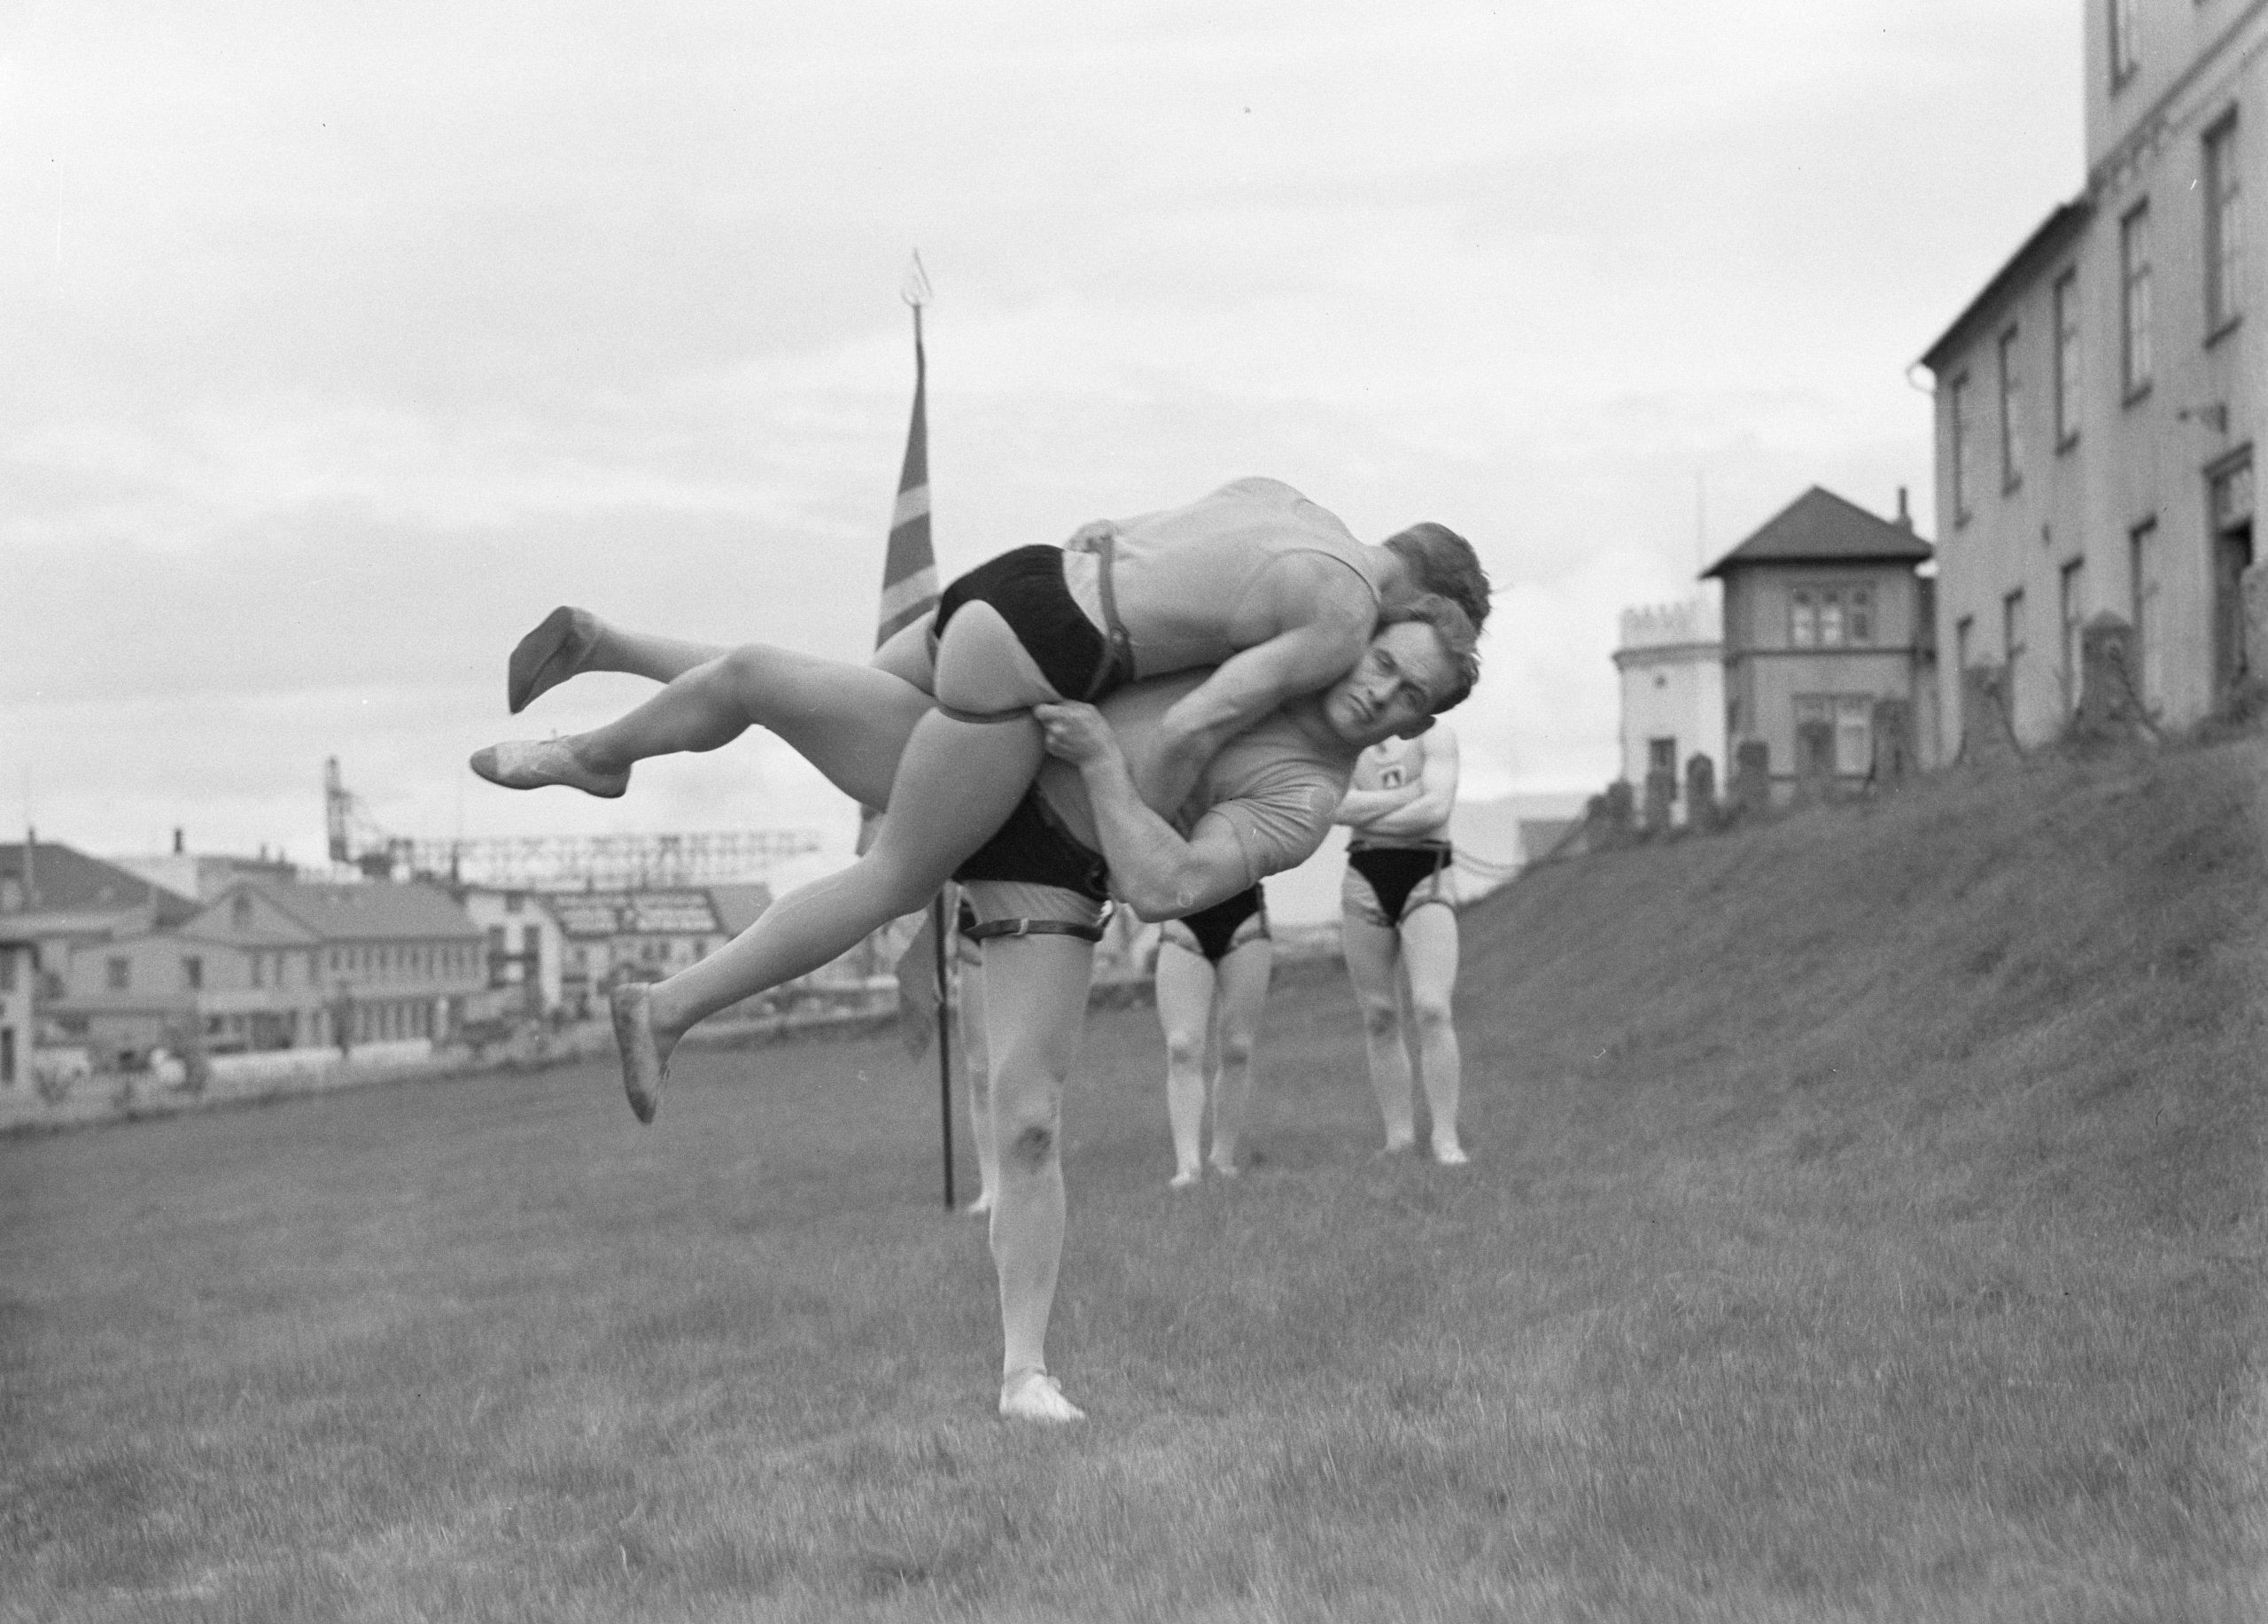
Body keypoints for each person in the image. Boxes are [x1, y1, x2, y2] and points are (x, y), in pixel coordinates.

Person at [484, 602, 1480, 1421]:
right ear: (1362, 640)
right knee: (757, 677)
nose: (1381, 691)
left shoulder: (1305, 798)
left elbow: (1164, 884)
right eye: (1385, 662)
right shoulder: (1266, 651)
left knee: (1029, 1122)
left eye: (1408, 695)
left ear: (1414, 727)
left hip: (1056, 870)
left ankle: (1023, 1376)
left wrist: (1102, 765)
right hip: (991, 753)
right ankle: (603, 695)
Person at [471, 480, 1489, 1104]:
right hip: (1049, 659)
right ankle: (668, 1008)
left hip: (1029, 579)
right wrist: (1128, 804)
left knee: (788, 687)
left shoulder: (1288, 505)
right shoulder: (1341, 621)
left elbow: (1115, 529)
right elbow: (1194, 726)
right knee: (896, 874)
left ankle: (609, 663)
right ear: (1415, 603)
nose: (1382, 671)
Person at [1332, 723, 1467, 1164]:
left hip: (1427, 871)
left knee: (1432, 1007)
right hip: (1365, 876)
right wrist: (1410, 795)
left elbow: (1435, 810)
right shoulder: (1347, 742)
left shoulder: (1436, 736)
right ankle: (1399, 1139)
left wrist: (1368, 813)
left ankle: (1445, 1138)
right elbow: (1334, 806)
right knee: (1379, 1015)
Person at [1151, 884, 1272, 1187]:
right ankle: (1188, 1167)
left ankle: (1222, 1160)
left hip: (1244, 915)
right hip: (1181, 914)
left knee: (1238, 1048)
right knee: (1181, 1046)